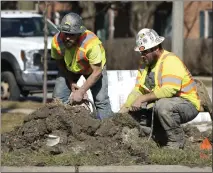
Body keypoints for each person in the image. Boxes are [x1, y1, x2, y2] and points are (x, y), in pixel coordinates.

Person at [119, 28, 201, 149]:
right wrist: (125, 108)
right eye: (141, 53)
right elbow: (138, 90)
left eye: (145, 52)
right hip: (165, 103)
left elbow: (169, 90)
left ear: (156, 48)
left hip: (187, 104)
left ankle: (176, 142)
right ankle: (159, 137)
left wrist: (143, 98)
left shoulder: (170, 61)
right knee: (135, 115)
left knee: (162, 106)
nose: (142, 56)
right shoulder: (145, 66)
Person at [51, 12, 113, 120]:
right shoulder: (56, 41)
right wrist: (71, 82)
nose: (67, 38)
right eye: (65, 33)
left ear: (79, 33)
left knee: (101, 100)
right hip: (69, 68)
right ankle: (59, 129)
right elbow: (60, 63)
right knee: (58, 99)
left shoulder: (92, 44)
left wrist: (81, 91)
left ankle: (108, 132)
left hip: (92, 71)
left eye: (72, 35)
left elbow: (97, 72)